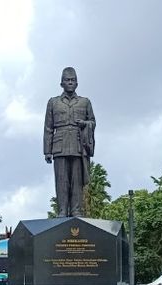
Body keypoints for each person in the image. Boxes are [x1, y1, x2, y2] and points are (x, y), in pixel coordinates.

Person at [43, 67, 96, 217]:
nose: (70, 83)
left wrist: (85, 124)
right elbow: (48, 127)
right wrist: (47, 151)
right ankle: (62, 211)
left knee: (77, 181)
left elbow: (93, 121)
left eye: (73, 80)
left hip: (79, 146)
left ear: (77, 83)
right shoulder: (53, 102)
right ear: (61, 83)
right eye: (67, 80)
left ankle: (76, 210)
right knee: (61, 181)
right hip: (59, 146)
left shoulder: (85, 102)